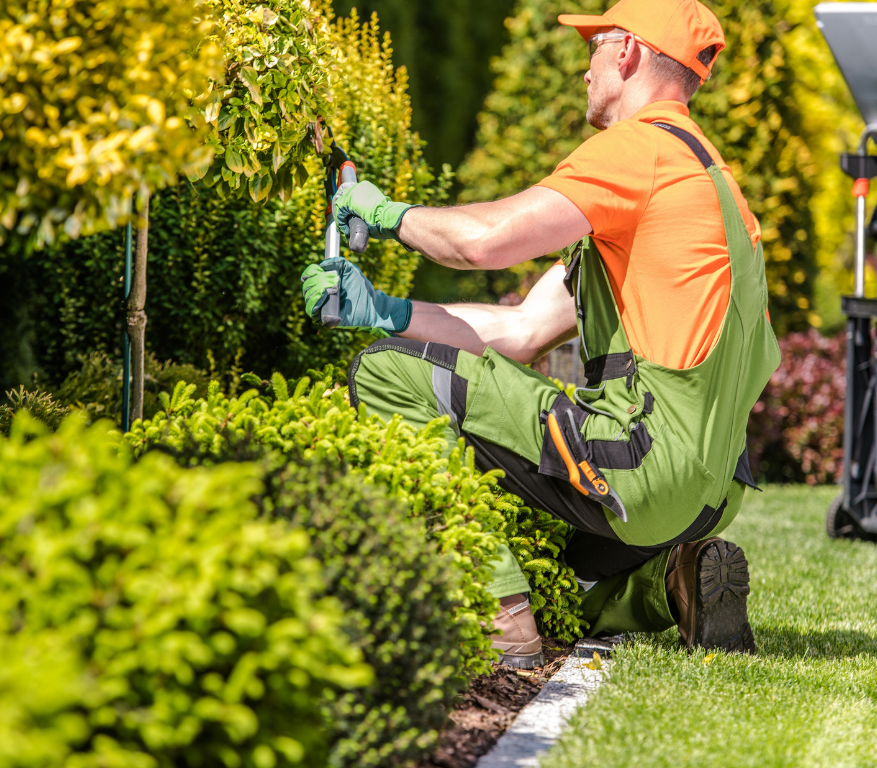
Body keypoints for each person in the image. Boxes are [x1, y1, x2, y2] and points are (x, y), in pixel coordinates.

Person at [301, 0, 779, 667]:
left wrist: (386, 213)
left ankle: (498, 620)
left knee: (383, 372)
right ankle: (669, 584)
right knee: (550, 568)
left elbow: (483, 244)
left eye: (593, 48)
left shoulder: (638, 151)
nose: (584, 70)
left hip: (641, 465)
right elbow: (523, 330)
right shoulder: (711, 186)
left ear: (628, 52)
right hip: (707, 492)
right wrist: (382, 310)